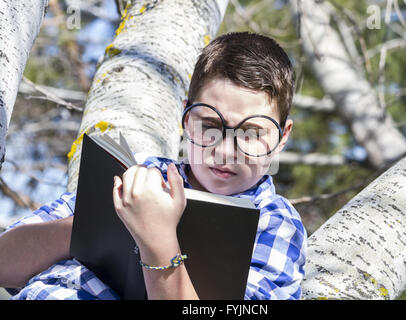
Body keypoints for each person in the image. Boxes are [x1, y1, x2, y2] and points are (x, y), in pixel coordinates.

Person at [0, 32, 307, 300]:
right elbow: (4, 264)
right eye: (211, 125)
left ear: (282, 137)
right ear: (187, 118)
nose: (226, 150)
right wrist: (100, 224)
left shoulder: (275, 225)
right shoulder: (137, 178)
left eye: (252, 133)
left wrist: (158, 242)